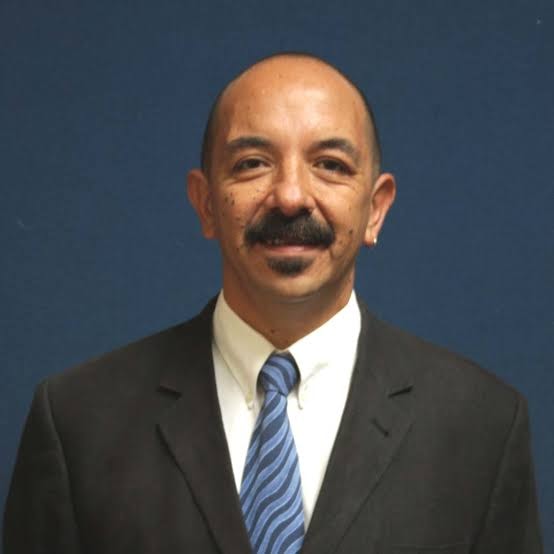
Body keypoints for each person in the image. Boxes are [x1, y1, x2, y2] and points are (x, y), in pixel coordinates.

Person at [3, 53, 542, 554]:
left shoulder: (483, 426)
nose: (290, 196)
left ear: (375, 209)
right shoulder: (76, 422)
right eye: (253, 163)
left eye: (330, 164)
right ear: (206, 203)